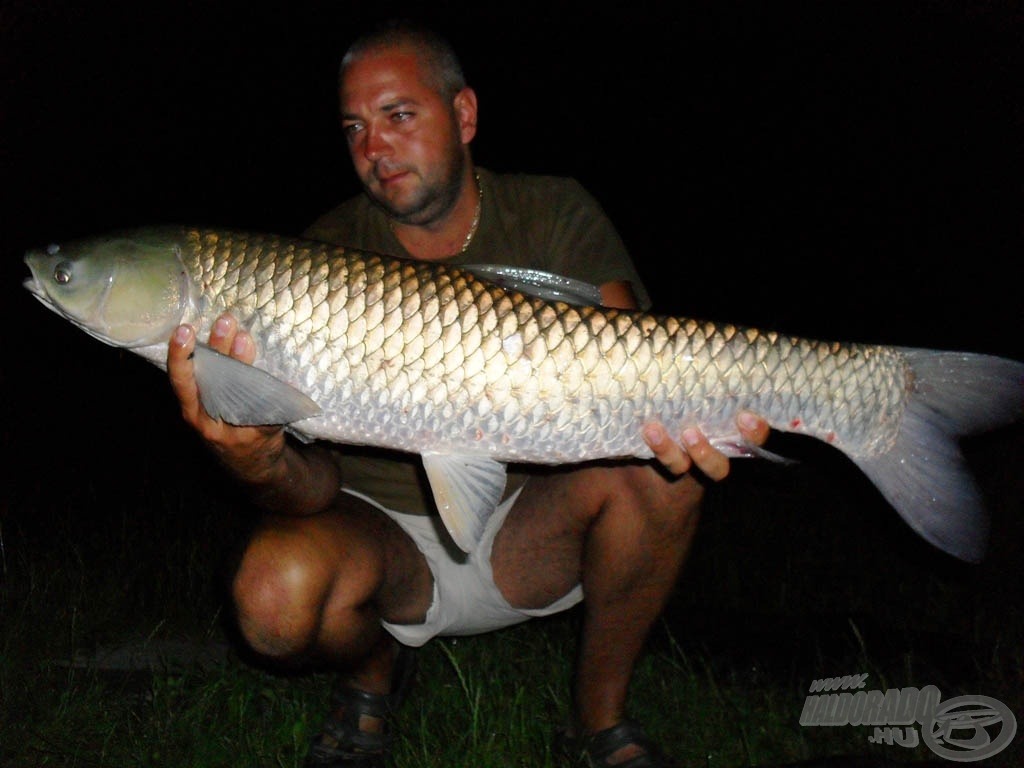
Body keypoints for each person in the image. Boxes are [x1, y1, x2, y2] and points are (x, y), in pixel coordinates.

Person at [166, 20, 770, 768]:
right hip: (382, 540)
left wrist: (695, 413)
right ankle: (374, 673)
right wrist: (255, 459)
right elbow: (309, 484)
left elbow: (628, 355)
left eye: (398, 116)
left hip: (529, 526)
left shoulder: (553, 212)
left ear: (465, 116)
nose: (374, 148)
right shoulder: (316, 254)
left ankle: (598, 722)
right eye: (354, 127)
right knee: (269, 599)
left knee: (660, 472)